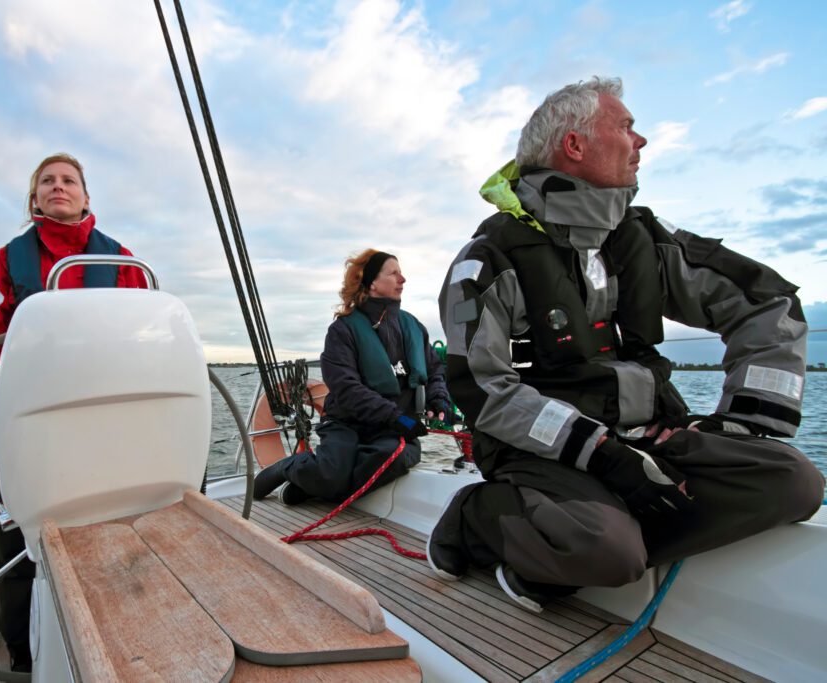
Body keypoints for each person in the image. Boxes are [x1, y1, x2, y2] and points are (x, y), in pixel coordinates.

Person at [430, 77, 825, 613]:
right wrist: (605, 455)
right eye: (626, 127)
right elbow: (483, 388)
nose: (641, 142)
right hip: (541, 449)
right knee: (608, 552)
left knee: (793, 482)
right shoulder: (487, 261)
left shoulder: (645, 241)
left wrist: (742, 425)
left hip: (649, 433)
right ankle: (477, 518)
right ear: (574, 145)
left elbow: (767, 304)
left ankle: (581, 538)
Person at [0, 152, 148, 670]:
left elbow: (143, 335)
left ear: (86, 197)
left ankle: (118, 646)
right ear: (34, 199)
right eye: (47, 181)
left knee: (109, 533)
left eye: (69, 180)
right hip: (24, 425)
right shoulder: (11, 260)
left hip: (99, 422)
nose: (58, 186)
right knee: (18, 550)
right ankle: (25, 664)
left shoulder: (121, 261)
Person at [253, 249, 450, 505]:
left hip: (391, 430)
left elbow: (435, 370)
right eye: (393, 273)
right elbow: (345, 388)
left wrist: (438, 398)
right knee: (332, 471)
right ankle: (286, 468)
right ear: (371, 283)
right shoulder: (342, 330)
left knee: (395, 456)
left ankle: (314, 489)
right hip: (347, 423)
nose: (403, 279)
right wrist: (396, 416)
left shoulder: (414, 327)